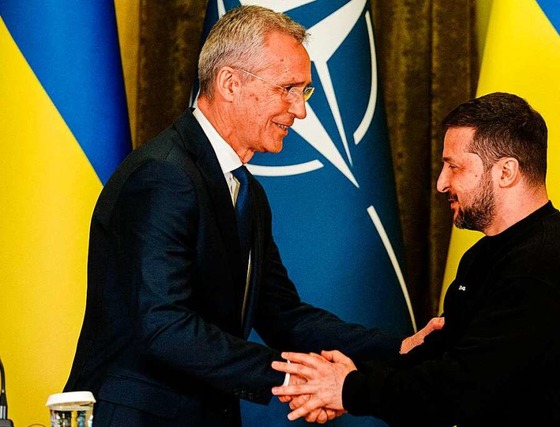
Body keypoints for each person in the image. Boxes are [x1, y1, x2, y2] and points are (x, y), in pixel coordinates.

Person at [63, 5, 431, 427]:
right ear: (230, 83)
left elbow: (284, 316)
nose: (301, 110)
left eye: (304, 92)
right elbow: (164, 325)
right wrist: (297, 378)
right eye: (287, 89)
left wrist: (398, 348)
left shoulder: (246, 191)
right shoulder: (163, 175)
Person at [272, 92, 560, 426]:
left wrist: (350, 390)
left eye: (454, 167)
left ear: (505, 172)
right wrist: (353, 377)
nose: (442, 183)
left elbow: (462, 388)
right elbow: (444, 359)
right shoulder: (486, 254)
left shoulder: (542, 266)